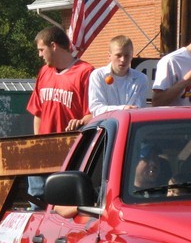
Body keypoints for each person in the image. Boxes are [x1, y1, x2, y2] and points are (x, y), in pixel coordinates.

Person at [26, 26, 94, 199]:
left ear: (54, 46)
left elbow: (93, 114)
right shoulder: (44, 72)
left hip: (72, 151)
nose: (39, 55)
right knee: (37, 198)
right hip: (45, 151)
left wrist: (80, 121)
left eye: (42, 50)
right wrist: (37, 144)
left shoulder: (86, 72)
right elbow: (38, 113)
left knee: (65, 200)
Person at [87, 34, 150, 115]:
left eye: (127, 55)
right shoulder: (98, 76)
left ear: (132, 56)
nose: (123, 60)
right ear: (109, 56)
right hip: (106, 125)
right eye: (118, 55)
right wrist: (123, 108)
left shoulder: (141, 78)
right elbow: (96, 108)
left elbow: (140, 109)